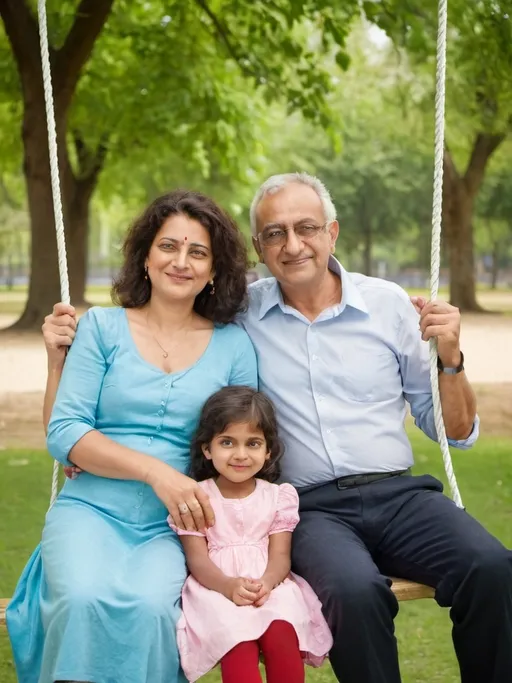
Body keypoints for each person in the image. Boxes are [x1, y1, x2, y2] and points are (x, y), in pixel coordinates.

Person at [40, 172, 512, 683]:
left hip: (399, 494)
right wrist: (63, 358)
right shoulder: (245, 316)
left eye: (306, 228)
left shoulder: (389, 305)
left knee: (492, 568)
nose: (292, 245)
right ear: (258, 249)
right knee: (354, 592)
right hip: (313, 507)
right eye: (273, 234)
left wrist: (449, 358)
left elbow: (457, 431)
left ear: (332, 233)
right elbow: (147, 348)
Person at [6, 190, 259, 683]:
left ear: (213, 271)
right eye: (168, 246)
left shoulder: (233, 347)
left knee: (150, 610)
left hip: (175, 528)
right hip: (91, 509)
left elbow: (243, 443)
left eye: (198, 252)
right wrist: (157, 473)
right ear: (145, 256)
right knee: (79, 599)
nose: (180, 261)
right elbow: (64, 431)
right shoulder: (102, 328)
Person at [170, 385, 332, 683]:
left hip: (269, 585)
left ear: (268, 450)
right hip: (216, 588)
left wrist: (267, 583)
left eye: (253, 444)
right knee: (236, 640)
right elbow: (198, 560)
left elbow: (280, 555)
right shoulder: (196, 498)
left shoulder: (278, 497)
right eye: (228, 442)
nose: (240, 454)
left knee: (282, 630)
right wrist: (228, 585)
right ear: (207, 448)